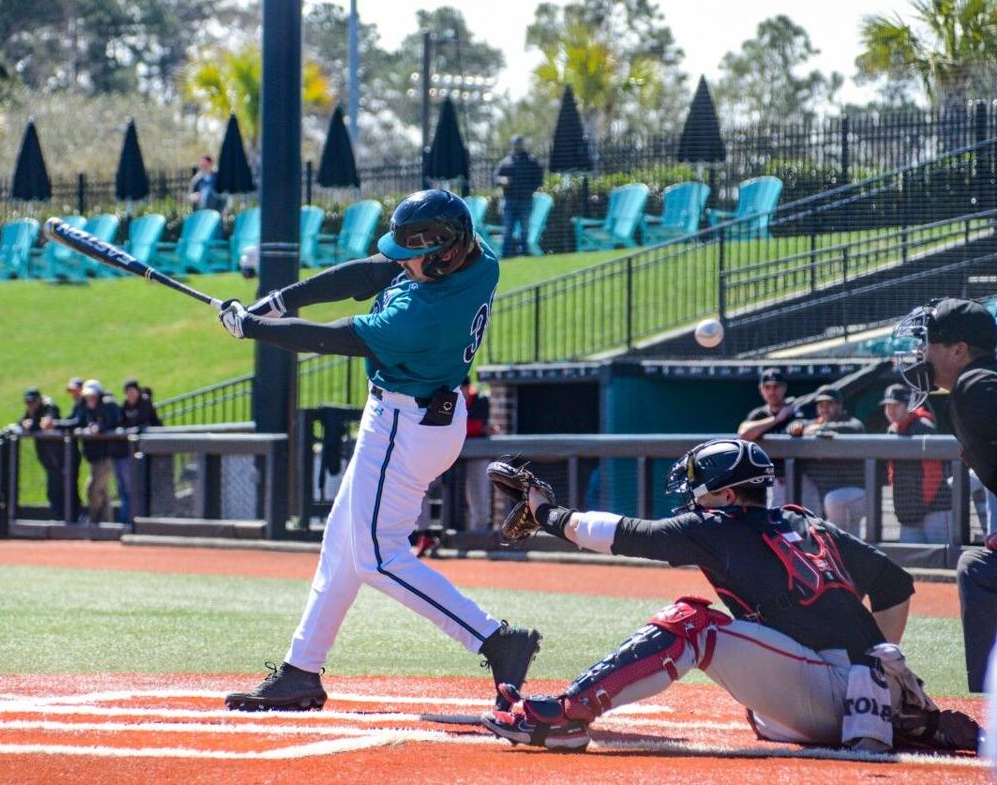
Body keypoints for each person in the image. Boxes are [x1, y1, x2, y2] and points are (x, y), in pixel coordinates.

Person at [216, 189, 540, 712]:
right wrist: (279, 301)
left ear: (444, 253)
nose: (399, 261)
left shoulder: (420, 316)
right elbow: (367, 273)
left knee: (376, 556)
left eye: (411, 254)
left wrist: (253, 328)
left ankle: (494, 639)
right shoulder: (477, 261)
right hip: (421, 416)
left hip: (404, 424)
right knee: (343, 544)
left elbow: (330, 338)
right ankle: (302, 670)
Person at [480, 439, 980, 753]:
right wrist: (866, 670)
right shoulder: (805, 522)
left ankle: (567, 717)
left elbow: (628, 534)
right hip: (864, 694)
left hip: (823, 693)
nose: (693, 500)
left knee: (692, 623)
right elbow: (895, 582)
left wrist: (546, 513)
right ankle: (879, 711)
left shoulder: (720, 526)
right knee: (759, 712)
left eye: (701, 490)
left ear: (727, 494)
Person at [894, 297, 997, 693]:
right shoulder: (981, 382)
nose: (921, 353)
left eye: (929, 343)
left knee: (978, 570)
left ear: (959, 350)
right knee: (979, 568)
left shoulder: (976, 385)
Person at [786, 385, 867, 536]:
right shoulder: (812, 423)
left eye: (829, 404)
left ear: (840, 405)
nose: (825, 408)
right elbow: (792, 427)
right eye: (821, 405)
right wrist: (797, 427)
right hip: (826, 495)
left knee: (841, 529)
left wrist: (817, 430)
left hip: (853, 493)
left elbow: (855, 428)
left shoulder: (851, 422)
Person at [881, 383, 951, 544]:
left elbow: (934, 473)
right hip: (911, 512)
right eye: (887, 406)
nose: (891, 410)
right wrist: (908, 508)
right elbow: (893, 473)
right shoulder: (892, 430)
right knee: (910, 562)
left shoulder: (923, 427)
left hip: (936, 508)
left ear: (908, 405)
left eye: (896, 405)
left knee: (941, 561)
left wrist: (921, 506)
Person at [59, 379, 121, 524]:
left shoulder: (108, 405)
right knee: (103, 491)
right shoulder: (86, 408)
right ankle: (107, 523)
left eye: (93, 396)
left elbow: (115, 421)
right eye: (87, 396)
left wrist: (101, 427)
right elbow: (77, 421)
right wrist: (56, 424)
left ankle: (93, 520)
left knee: (92, 488)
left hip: (106, 456)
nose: (90, 399)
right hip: (94, 457)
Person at [738, 367, 798, 506]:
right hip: (767, 480)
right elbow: (743, 433)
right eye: (767, 387)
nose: (772, 391)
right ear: (761, 389)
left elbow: (806, 425)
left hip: (796, 477)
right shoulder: (759, 414)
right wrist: (777, 419)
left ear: (784, 388)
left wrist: (797, 427)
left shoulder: (794, 411)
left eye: (776, 387)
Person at [115, 378, 163, 523]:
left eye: (132, 391)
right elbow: (121, 423)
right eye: (127, 392)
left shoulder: (145, 403)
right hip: (132, 451)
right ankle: (129, 518)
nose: (130, 394)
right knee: (128, 486)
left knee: (147, 484)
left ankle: (145, 516)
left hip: (150, 449)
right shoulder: (125, 406)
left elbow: (144, 422)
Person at [40, 377, 85, 520]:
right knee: (65, 487)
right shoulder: (77, 405)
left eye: (76, 390)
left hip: (84, 454)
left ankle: (77, 516)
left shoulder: (85, 405)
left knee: (76, 487)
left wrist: (55, 424)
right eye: (72, 391)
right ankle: (71, 516)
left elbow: (77, 422)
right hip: (73, 454)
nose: (74, 394)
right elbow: (70, 420)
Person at [15, 388, 64, 516]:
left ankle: (67, 518)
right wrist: (24, 424)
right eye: (28, 402)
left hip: (61, 456)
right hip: (47, 456)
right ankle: (58, 516)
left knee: (62, 487)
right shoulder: (31, 411)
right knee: (53, 487)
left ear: (39, 401)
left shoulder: (49, 407)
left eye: (33, 402)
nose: (30, 405)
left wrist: (31, 426)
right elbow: (21, 422)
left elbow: (46, 424)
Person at [493, 135, 543, 256]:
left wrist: (530, 189)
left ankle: (525, 254)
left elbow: (539, 179)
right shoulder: (506, 162)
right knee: (508, 230)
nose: (517, 146)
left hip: (526, 201)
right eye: (516, 144)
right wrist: (502, 180)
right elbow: (495, 178)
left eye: (519, 144)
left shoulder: (531, 161)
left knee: (525, 230)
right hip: (509, 201)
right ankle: (507, 255)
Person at [462, 376, 493, 531]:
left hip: (477, 453)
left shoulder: (480, 400)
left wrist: (476, 427)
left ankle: (478, 533)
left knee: (478, 494)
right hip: (452, 454)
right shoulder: (448, 398)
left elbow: (475, 425)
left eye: (462, 389)